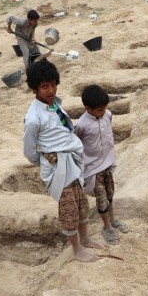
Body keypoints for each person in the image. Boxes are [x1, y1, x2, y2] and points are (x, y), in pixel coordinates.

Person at [22, 60, 106, 263]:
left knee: (81, 203)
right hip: (59, 167)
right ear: (35, 88)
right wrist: (47, 162)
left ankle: (85, 239)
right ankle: (77, 250)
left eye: (53, 84)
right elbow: (29, 150)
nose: (50, 90)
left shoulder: (56, 105)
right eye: (44, 86)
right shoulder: (34, 118)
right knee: (68, 208)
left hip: (73, 163)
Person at [74, 84, 129, 245]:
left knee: (110, 193)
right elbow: (76, 144)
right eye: (99, 109)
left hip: (107, 164)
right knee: (101, 197)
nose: (103, 112)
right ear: (87, 108)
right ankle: (106, 226)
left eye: (104, 108)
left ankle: (113, 219)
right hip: (93, 168)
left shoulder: (108, 115)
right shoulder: (81, 125)